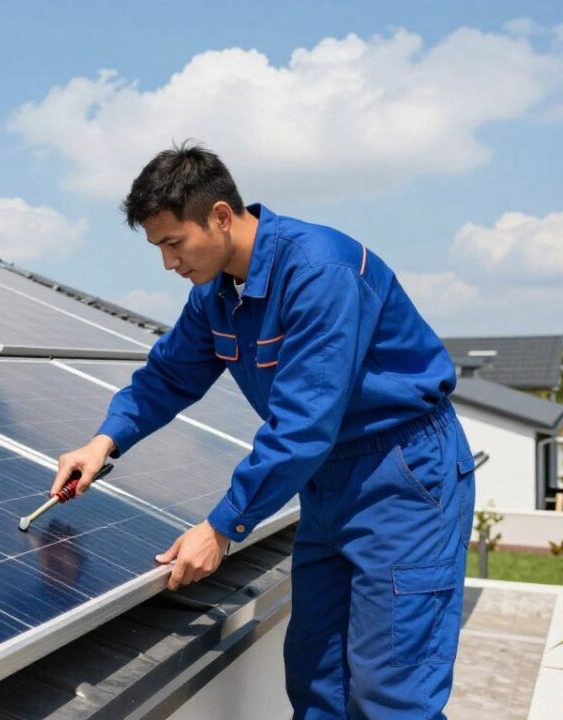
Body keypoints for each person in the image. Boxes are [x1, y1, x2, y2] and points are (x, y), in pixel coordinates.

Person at [51, 143, 475, 718]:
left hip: (401, 477)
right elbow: (169, 375)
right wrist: (105, 441)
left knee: (391, 690)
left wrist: (223, 526)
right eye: (158, 248)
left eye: (174, 243)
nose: (168, 264)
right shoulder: (215, 295)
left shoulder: (320, 271)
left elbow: (304, 423)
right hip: (325, 479)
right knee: (317, 679)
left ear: (221, 215)